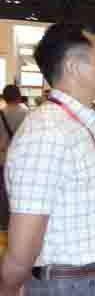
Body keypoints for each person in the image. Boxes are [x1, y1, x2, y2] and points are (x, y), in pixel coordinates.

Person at [0, 23, 95, 296]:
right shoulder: (48, 132)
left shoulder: (72, 125)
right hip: (62, 292)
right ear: (73, 66)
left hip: (77, 287)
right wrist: (8, 289)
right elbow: (25, 233)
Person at [0, 84, 28, 231]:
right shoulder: (27, 113)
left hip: (3, 158)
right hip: (22, 160)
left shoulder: (1, 113)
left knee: (3, 191)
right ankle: (18, 224)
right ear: (18, 96)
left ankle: (3, 222)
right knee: (21, 191)